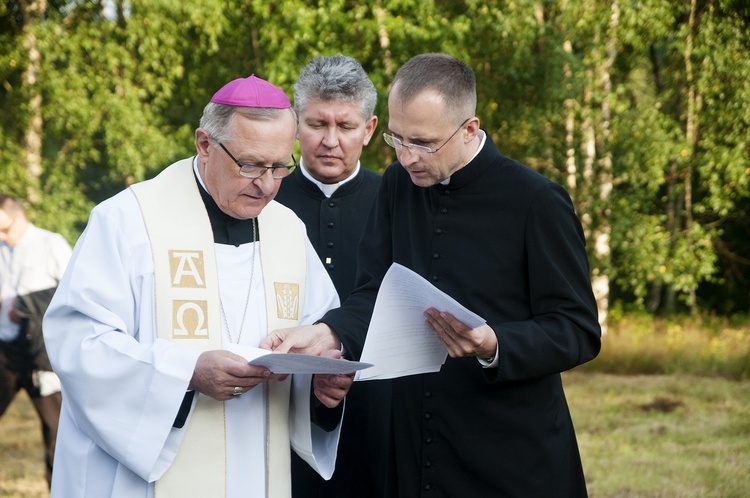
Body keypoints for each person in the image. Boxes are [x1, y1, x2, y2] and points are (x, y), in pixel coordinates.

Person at [262, 53, 602, 497]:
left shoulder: (536, 201)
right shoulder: (398, 185)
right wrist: (328, 333)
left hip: (511, 449)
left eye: (423, 143)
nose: (406, 157)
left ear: (470, 129)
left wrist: (494, 344)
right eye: (397, 139)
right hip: (416, 447)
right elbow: (372, 292)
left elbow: (577, 329)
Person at [42, 74, 354, 498]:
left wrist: (320, 386)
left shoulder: (288, 231)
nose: (266, 184)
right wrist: (184, 374)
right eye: (250, 164)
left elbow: (313, 336)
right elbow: (78, 342)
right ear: (205, 144)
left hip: (257, 474)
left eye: (280, 166)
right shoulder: (128, 221)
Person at [274, 55, 392, 498]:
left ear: (370, 128)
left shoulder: (395, 201)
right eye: (316, 124)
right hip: (281, 406)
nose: (329, 140)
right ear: (294, 122)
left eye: (345, 126)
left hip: (379, 411)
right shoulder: (264, 199)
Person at [0, 194, 71, 487]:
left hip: (41, 351)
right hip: (4, 349)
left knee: (55, 429)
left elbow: (73, 290)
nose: (1, 235)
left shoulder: (50, 244)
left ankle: (59, 489)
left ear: (19, 217)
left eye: (4, 229)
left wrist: (27, 304)